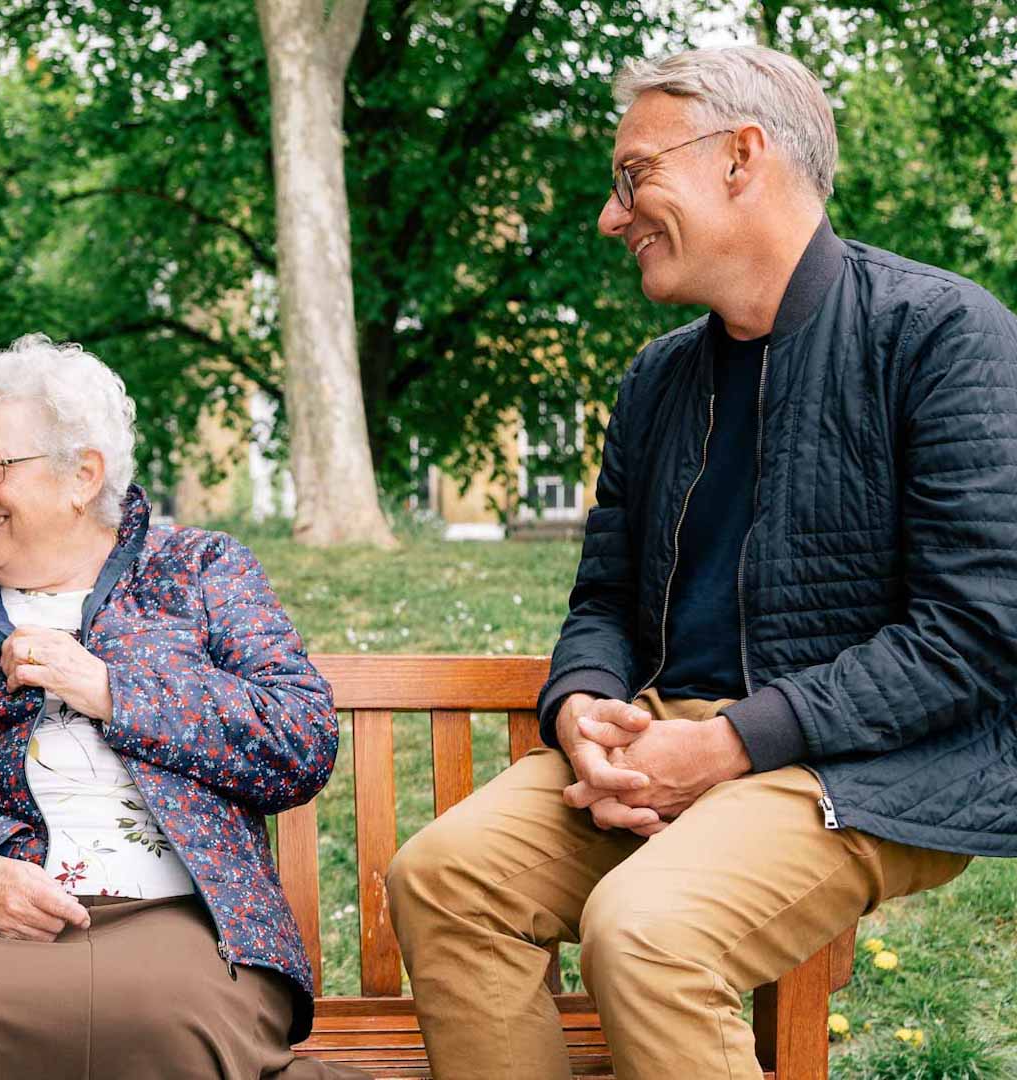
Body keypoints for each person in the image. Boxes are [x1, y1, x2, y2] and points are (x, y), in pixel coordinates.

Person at [385, 45, 1017, 1079]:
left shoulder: (943, 335)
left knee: (646, 931)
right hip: (671, 744)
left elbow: (979, 633)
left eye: (633, 175)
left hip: (862, 763)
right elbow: (605, 600)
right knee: (445, 878)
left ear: (741, 158)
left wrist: (733, 743)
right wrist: (579, 705)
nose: (610, 213)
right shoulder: (657, 380)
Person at [0, 335, 363, 1080]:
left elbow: (299, 739)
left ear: (84, 475)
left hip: (184, 915)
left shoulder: (199, 569)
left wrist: (111, 689)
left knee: (163, 1018)